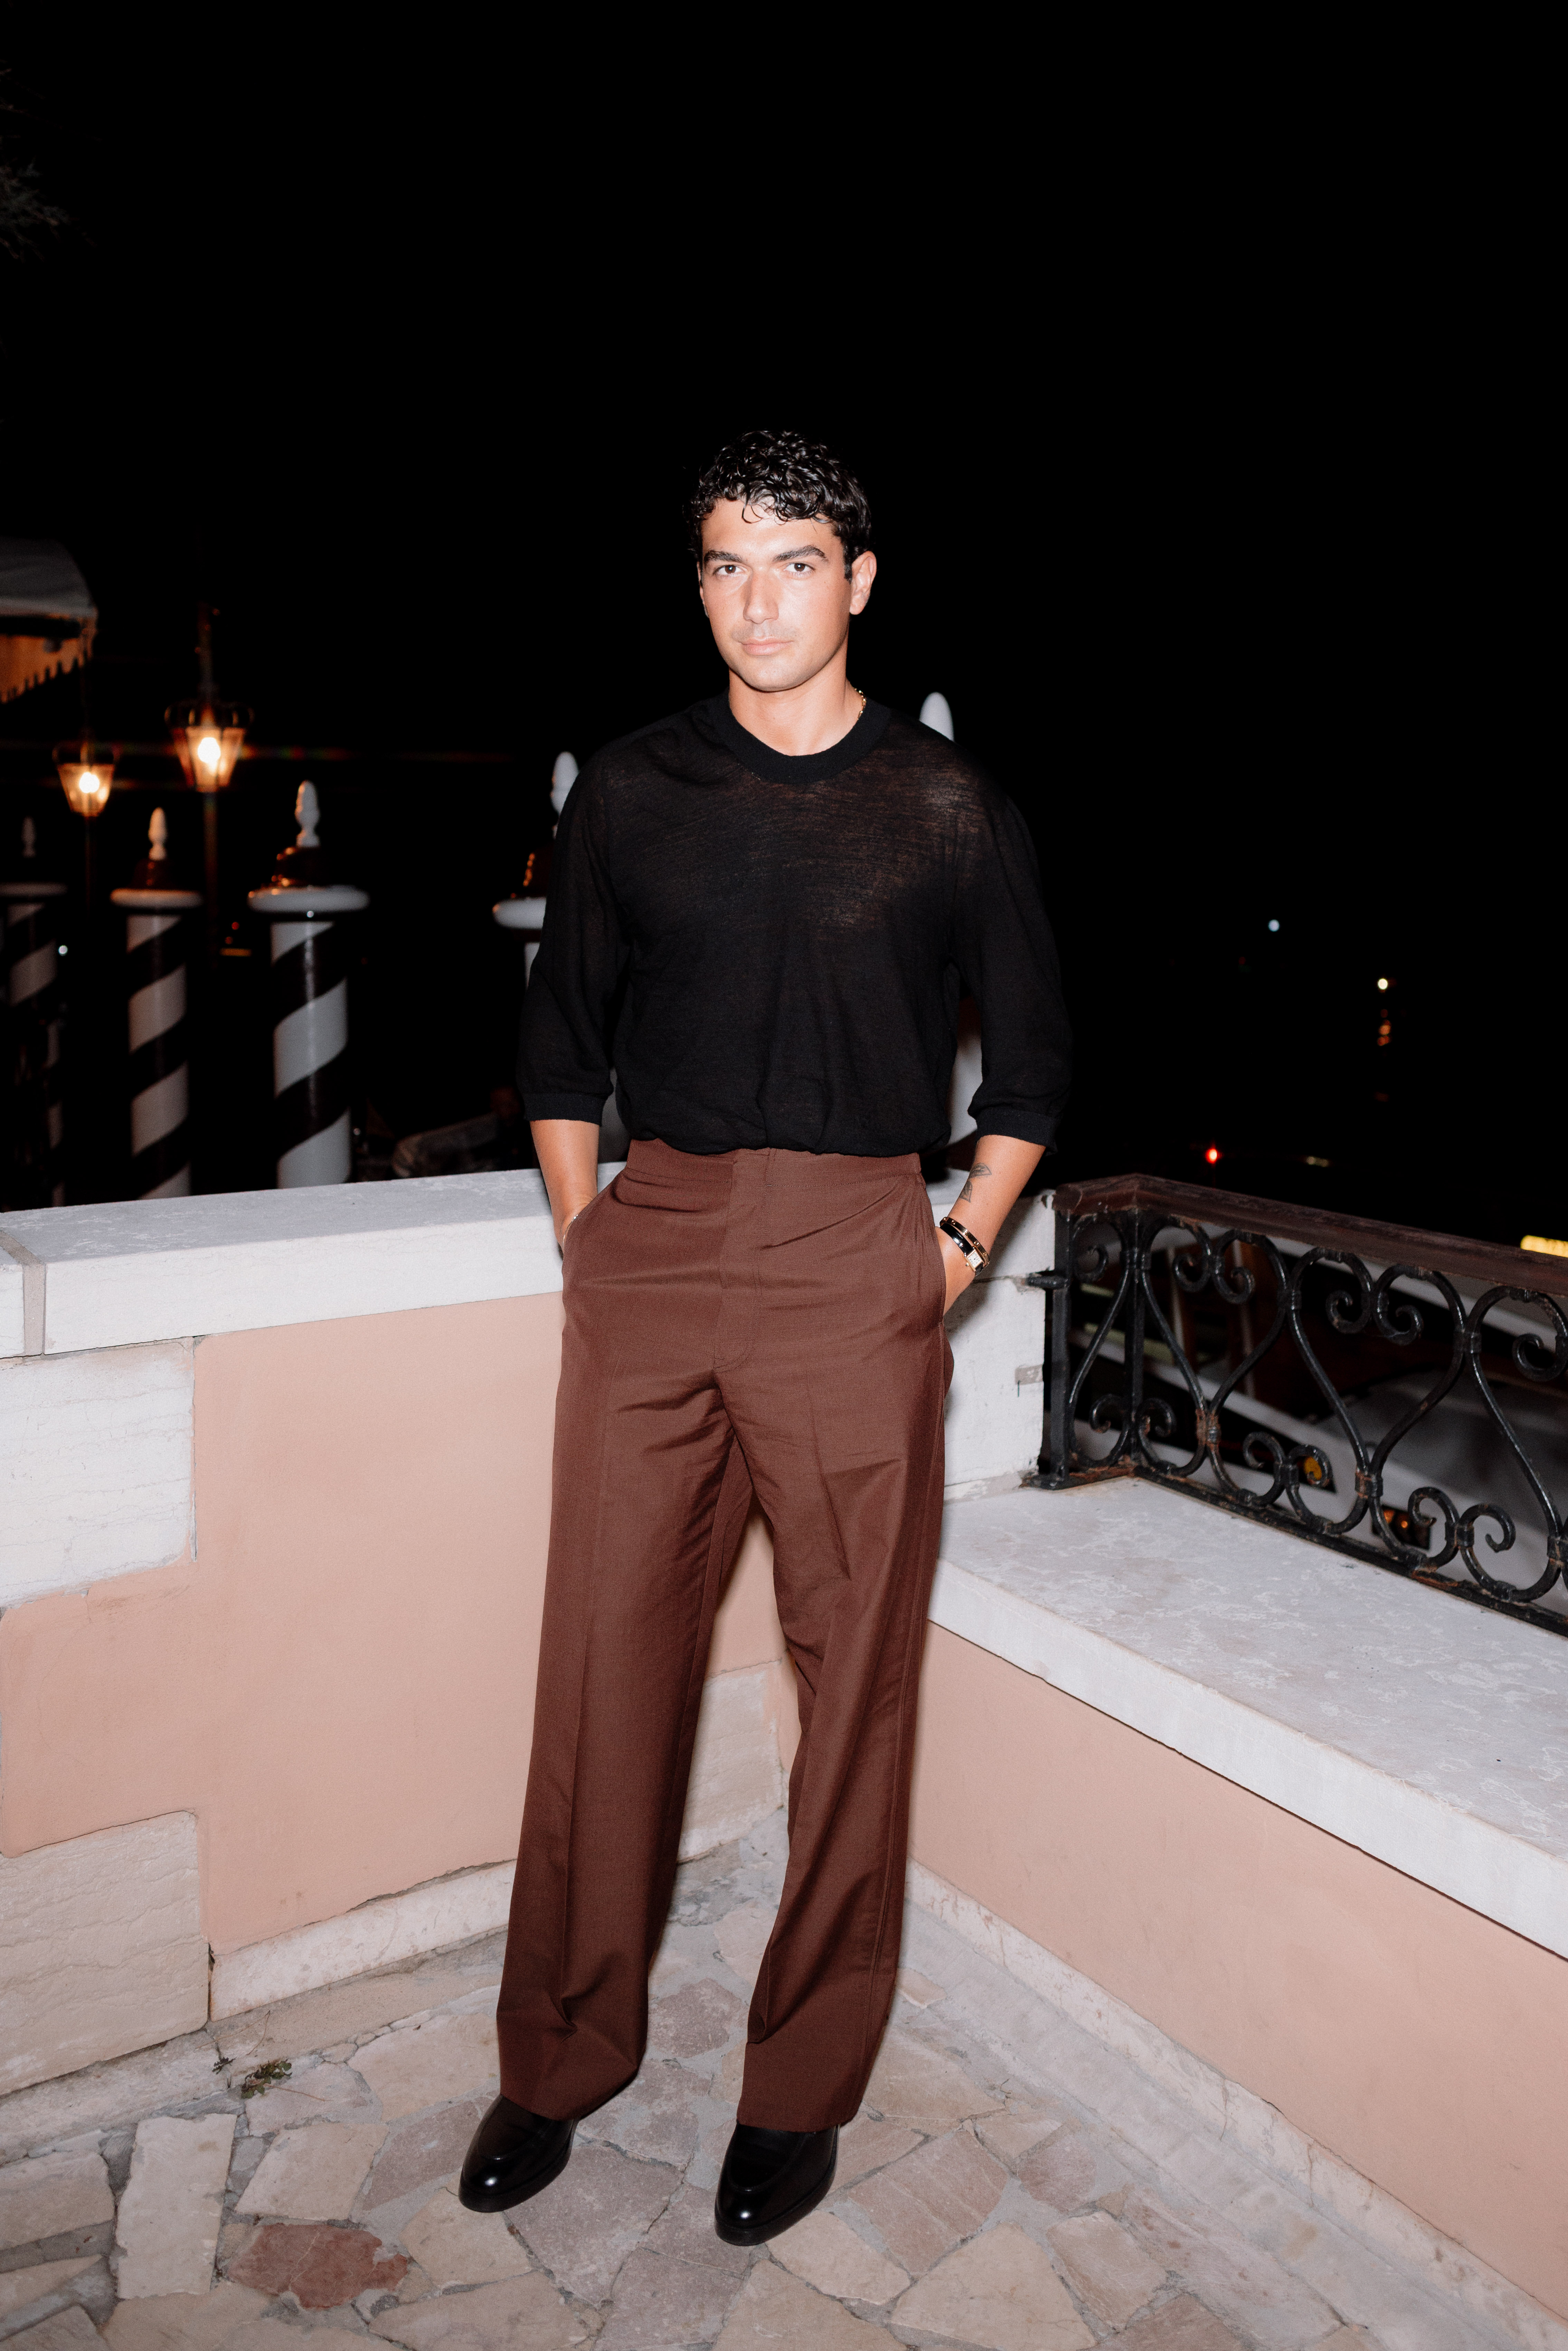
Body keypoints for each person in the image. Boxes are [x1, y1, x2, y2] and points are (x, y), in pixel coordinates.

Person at [459, 428, 1071, 2245]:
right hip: (653, 1249)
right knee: (601, 1667)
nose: (758, 600)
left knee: (852, 1689)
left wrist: (949, 1252)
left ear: (858, 581)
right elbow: (561, 1043)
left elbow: (1034, 1071)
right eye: (728, 564)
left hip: (857, 1256)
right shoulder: (631, 790)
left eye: (794, 562)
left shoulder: (948, 805)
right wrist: (589, 1238)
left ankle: (797, 2089)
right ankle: (560, 2052)